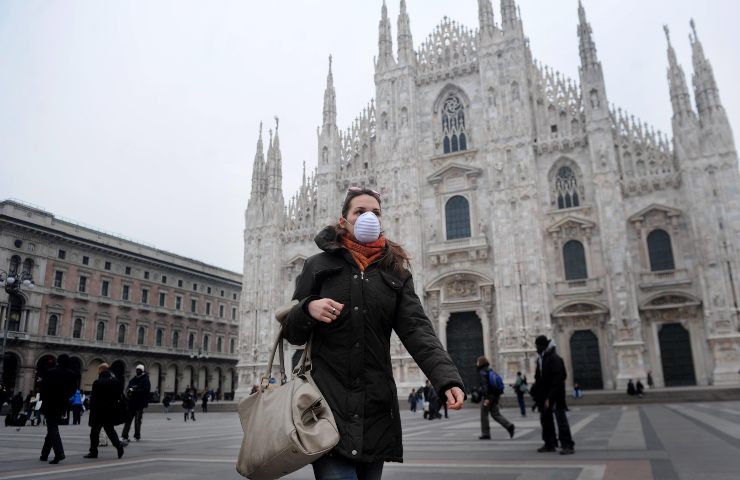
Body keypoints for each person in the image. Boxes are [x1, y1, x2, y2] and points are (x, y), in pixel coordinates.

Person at [281, 187, 465, 480]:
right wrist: (307, 308)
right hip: (326, 407)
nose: (369, 217)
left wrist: (446, 378)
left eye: (376, 213)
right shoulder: (317, 265)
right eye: (360, 212)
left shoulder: (395, 271)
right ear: (344, 220)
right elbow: (292, 332)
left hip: (374, 409)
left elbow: (417, 328)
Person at [532, 335, 575, 455]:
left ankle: (567, 445)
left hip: (555, 396)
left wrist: (551, 396)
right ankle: (550, 443)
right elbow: (539, 378)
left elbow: (560, 378)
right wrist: (536, 391)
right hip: (544, 396)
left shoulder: (555, 359)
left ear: (543, 346)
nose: (536, 348)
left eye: (537, 345)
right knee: (545, 420)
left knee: (561, 419)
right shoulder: (541, 359)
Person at [38, 354, 79, 464]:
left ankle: (59, 453)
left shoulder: (50, 372)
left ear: (58, 361)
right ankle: (44, 454)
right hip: (62, 404)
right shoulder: (72, 374)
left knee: (52, 428)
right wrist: (65, 398)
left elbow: (43, 388)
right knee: (52, 427)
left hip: (50, 403)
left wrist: (42, 401)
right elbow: (73, 391)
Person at [83, 363, 125, 459]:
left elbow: (93, 399)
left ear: (101, 370)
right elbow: (119, 396)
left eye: (98, 370)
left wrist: (91, 410)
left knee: (94, 432)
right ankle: (119, 446)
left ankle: (93, 452)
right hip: (110, 411)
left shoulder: (97, 382)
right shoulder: (115, 381)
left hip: (98, 411)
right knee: (110, 431)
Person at [476, 356, 515, 440]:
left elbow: (485, 385)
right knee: (495, 414)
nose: (476, 363)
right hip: (494, 396)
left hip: (488, 397)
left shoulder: (482, 372)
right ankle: (509, 426)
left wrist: (486, 397)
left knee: (484, 415)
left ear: (480, 362)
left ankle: (486, 433)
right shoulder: (490, 370)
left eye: (477, 361)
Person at [121, 364, 151, 445]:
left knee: (138, 421)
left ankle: (137, 436)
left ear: (142, 370)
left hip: (139, 404)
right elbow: (129, 387)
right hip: (131, 403)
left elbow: (145, 390)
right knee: (128, 419)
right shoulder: (134, 379)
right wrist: (129, 391)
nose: (137, 371)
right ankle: (124, 435)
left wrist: (134, 391)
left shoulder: (145, 379)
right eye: (137, 369)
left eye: (139, 370)